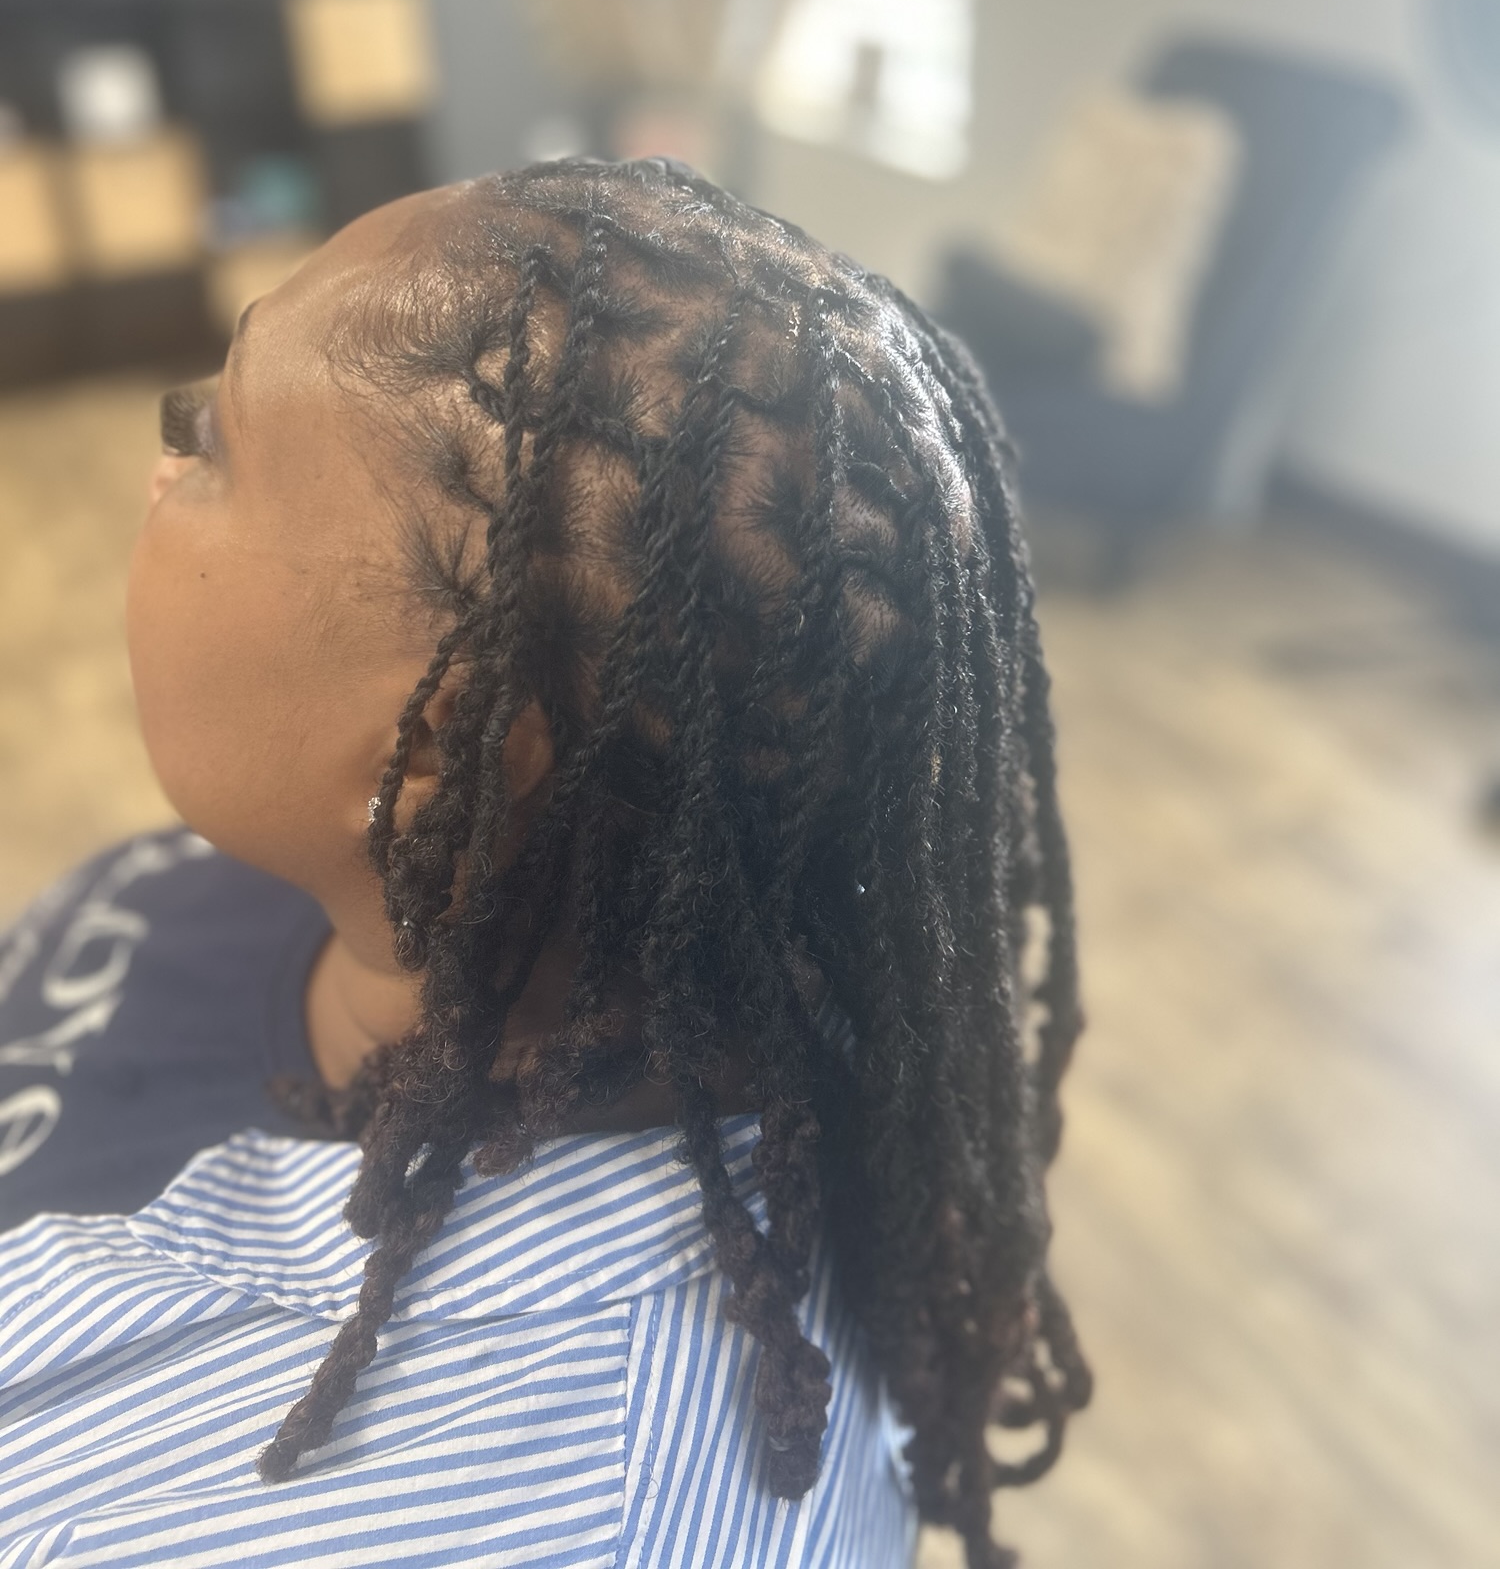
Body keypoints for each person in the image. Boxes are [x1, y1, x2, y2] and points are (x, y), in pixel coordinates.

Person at [0, 159, 1089, 1568]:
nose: (160, 460)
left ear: (437, 751)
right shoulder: (376, 875)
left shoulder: (353, 1511)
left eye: (212, 439)